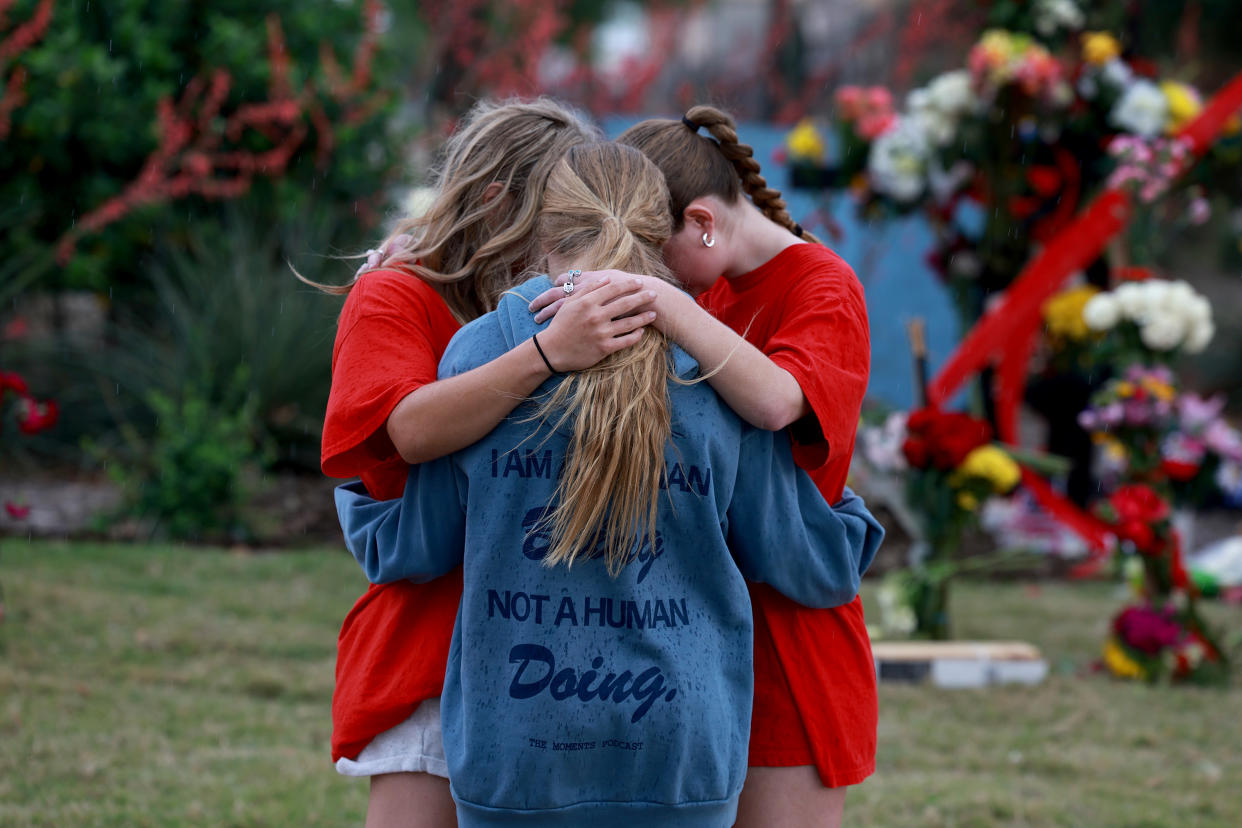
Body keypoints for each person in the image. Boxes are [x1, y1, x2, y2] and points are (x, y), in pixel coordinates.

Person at [334, 140, 884, 827]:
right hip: (678, 746)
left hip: (517, 745)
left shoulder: (478, 354)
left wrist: (360, 501)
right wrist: (852, 520)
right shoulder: (722, 368)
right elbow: (805, 562)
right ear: (663, 233)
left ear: (540, 232)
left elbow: (415, 547)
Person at [315, 98, 660, 828]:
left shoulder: (558, 299)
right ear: (500, 199)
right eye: (555, 212)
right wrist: (542, 355)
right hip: (433, 643)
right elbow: (408, 429)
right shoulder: (396, 294)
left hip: (550, 657)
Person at [530, 105, 875, 827]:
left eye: (652, 249)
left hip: (789, 638)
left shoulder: (822, 286)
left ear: (703, 223)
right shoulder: (702, 287)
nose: (640, 270)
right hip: (693, 636)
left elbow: (780, 401)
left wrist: (665, 305)